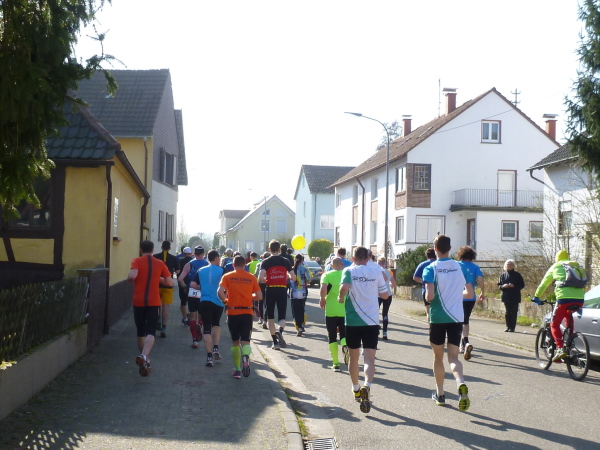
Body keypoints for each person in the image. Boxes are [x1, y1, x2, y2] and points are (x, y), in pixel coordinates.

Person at [422, 235, 473, 411]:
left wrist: (430, 296)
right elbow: (470, 294)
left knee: (438, 357)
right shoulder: (460, 267)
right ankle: (460, 382)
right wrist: (455, 295)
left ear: (435, 248)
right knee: (453, 357)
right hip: (456, 317)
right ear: (450, 249)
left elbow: (429, 296)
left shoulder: (430, 268)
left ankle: (441, 394)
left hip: (437, 317)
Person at [339, 246, 389, 414]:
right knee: (369, 358)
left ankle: (356, 389)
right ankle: (367, 385)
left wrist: (340, 297)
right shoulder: (376, 271)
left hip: (353, 321)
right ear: (368, 259)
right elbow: (385, 295)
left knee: (354, 359)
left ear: (353, 258)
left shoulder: (348, 271)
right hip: (372, 321)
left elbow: (344, 288)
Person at [127, 240, 173, 377]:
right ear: (153, 250)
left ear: (141, 250)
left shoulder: (136, 261)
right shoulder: (160, 263)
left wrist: (130, 278)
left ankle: (145, 360)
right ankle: (144, 356)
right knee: (151, 332)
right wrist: (158, 278)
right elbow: (170, 283)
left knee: (140, 332)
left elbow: (133, 275)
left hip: (138, 301)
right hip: (153, 301)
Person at [532, 249, 585, 362]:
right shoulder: (575, 266)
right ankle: (570, 342)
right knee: (568, 317)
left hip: (564, 299)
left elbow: (544, 283)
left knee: (554, 323)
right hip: (580, 299)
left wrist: (537, 296)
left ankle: (560, 348)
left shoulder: (556, 266)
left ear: (557, 258)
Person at [218, 255, 263, 379]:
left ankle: (238, 370)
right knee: (246, 340)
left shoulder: (227, 276)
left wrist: (226, 301)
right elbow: (259, 296)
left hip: (233, 312)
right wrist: (249, 297)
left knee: (235, 341)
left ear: (233, 265)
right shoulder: (251, 277)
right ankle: (246, 356)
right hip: (247, 312)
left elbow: (220, 292)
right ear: (244, 265)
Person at [191, 249, 225, 366]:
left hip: (204, 301)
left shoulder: (201, 270)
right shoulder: (222, 270)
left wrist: (202, 288)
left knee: (206, 328)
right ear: (216, 258)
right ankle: (216, 347)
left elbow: (193, 284)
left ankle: (209, 357)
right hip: (218, 302)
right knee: (216, 324)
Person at [259, 240, 295, 350]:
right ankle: (280, 330)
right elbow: (293, 277)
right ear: (279, 249)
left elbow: (260, 278)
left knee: (270, 317)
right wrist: (287, 276)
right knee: (282, 316)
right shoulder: (285, 261)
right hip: (282, 290)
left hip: (270, 290)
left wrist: (266, 279)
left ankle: (275, 343)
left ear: (269, 249)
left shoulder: (265, 262)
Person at [456, 246, 485, 360]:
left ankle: (463, 343)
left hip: (458, 296)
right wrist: (482, 292)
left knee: (458, 320)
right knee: (466, 320)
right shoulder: (475, 267)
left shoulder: (456, 265)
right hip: (470, 297)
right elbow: (481, 279)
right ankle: (465, 342)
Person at [319, 257, 347, 372]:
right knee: (344, 334)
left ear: (331, 266)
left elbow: (323, 289)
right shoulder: (346, 275)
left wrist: (322, 299)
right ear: (342, 265)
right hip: (344, 310)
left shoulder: (327, 275)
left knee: (332, 336)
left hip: (331, 310)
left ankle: (336, 363)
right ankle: (345, 345)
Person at [179, 246, 209, 348]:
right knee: (202, 314)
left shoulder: (189, 264)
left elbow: (180, 279)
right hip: (203, 292)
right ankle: (200, 324)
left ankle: (195, 340)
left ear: (194, 254)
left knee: (192, 316)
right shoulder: (207, 264)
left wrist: (185, 287)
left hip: (192, 291)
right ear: (203, 254)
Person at [153, 240, 180, 338]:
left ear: (161, 247)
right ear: (170, 248)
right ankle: (164, 327)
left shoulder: (155, 257)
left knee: (157, 304)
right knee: (166, 306)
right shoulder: (174, 258)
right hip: (168, 284)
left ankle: (158, 318)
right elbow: (178, 271)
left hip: (156, 284)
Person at [498, 259, 525, 333]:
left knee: (514, 312)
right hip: (506, 296)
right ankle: (508, 326)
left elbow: (522, 285)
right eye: (508, 264)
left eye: (511, 264)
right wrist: (503, 286)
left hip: (515, 296)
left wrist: (514, 286)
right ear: (505, 266)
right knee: (507, 312)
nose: (509, 266)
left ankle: (512, 327)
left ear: (514, 266)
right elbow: (499, 286)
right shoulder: (503, 275)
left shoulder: (517, 275)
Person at [413, 248, 436, 319]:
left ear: (427, 256)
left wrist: (424, 282)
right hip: (439, 290)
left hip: (426, 290)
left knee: (428, 312)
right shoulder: (439, 263)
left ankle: (430, 324)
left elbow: (415, 277)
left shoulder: (423, 264)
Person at [377, 256, 397, 340]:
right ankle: (385, 333)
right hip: (388, 294)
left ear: (378, 263)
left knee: (375, 312)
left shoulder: (377, 270)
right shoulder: (389, 271)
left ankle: (376, 330)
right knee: (385, 314)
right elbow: (394, 284)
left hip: (378, 294)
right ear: (385, 263)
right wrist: (388, 284)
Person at [290, 254, 309, 336]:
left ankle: (299, 327)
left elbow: (288, 280)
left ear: (295, 260)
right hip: (303, 291)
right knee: (302, 308)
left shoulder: (291, 269)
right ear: (302, 260)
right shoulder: (305, 268)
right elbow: (309, 279)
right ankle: (302, 324)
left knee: (295, 310)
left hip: (293, 292)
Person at [177, 247, 193, 326]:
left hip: (182, 284)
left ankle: (185, 319)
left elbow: (178, 273)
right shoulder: (194, 262)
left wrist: (183, 286)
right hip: (193, 285)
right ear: (191, 253)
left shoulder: (180, 262)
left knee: (183, 302)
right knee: (192, 302)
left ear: (184, 254)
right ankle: (192, 318)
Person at [254, 252, 270, 329]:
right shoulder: (271, 264)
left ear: (262, 257)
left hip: (261, 284)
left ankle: (261, 318)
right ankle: (266, 318)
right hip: (268, 284)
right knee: (268, 301)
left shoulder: (259, 264)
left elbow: (256, 274)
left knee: (260, 301)